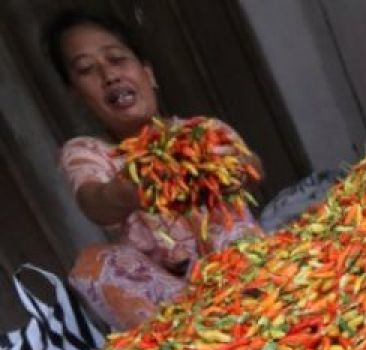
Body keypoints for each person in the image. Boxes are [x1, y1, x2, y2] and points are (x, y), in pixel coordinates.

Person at [44, 10, 263, 331]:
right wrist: (127, 190)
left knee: (224, 213)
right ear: (77, 95)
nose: (109, 75)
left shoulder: (201, 131)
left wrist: (235, 169)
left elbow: (252, 170)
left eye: (117, 59)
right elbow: (93, 200)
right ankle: (189, 337)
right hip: (170, 297)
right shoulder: (88, 152)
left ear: (149, 74)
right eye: (87, 70)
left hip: (236, 270)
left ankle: (256, 302)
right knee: (90, 266)